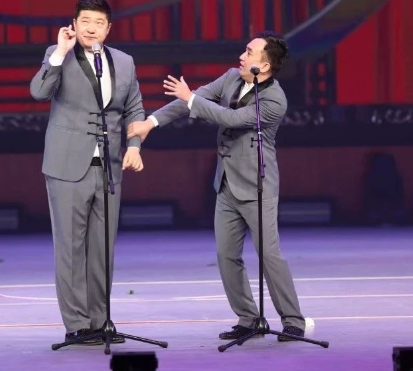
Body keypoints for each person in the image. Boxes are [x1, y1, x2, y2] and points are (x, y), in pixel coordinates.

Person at [127, 32, 306, 341]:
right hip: (226, 184)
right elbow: (191, 101)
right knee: (226, 255)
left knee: (269, 255)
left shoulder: (274, 99)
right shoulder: (231, 77)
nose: (242, 56)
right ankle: (249, 319)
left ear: (264, 65)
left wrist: (191, 99)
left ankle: (293, 320)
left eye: (248, 52)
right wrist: (150, 123)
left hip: (257, 185)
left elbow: (232, 118)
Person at [30, 0, 146, 345]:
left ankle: (100, 320)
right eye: (85, 22)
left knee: (102, 248)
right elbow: (39, 91)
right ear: (74, 24)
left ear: (108, 28)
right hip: (67, 165)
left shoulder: (124, 62)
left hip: (108, 167)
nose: (91, 28)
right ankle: (77, 324)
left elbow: (134, 108)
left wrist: (134, 146)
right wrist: (59, 53)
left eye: (98, 23)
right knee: (70, 248)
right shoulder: (59, 55)